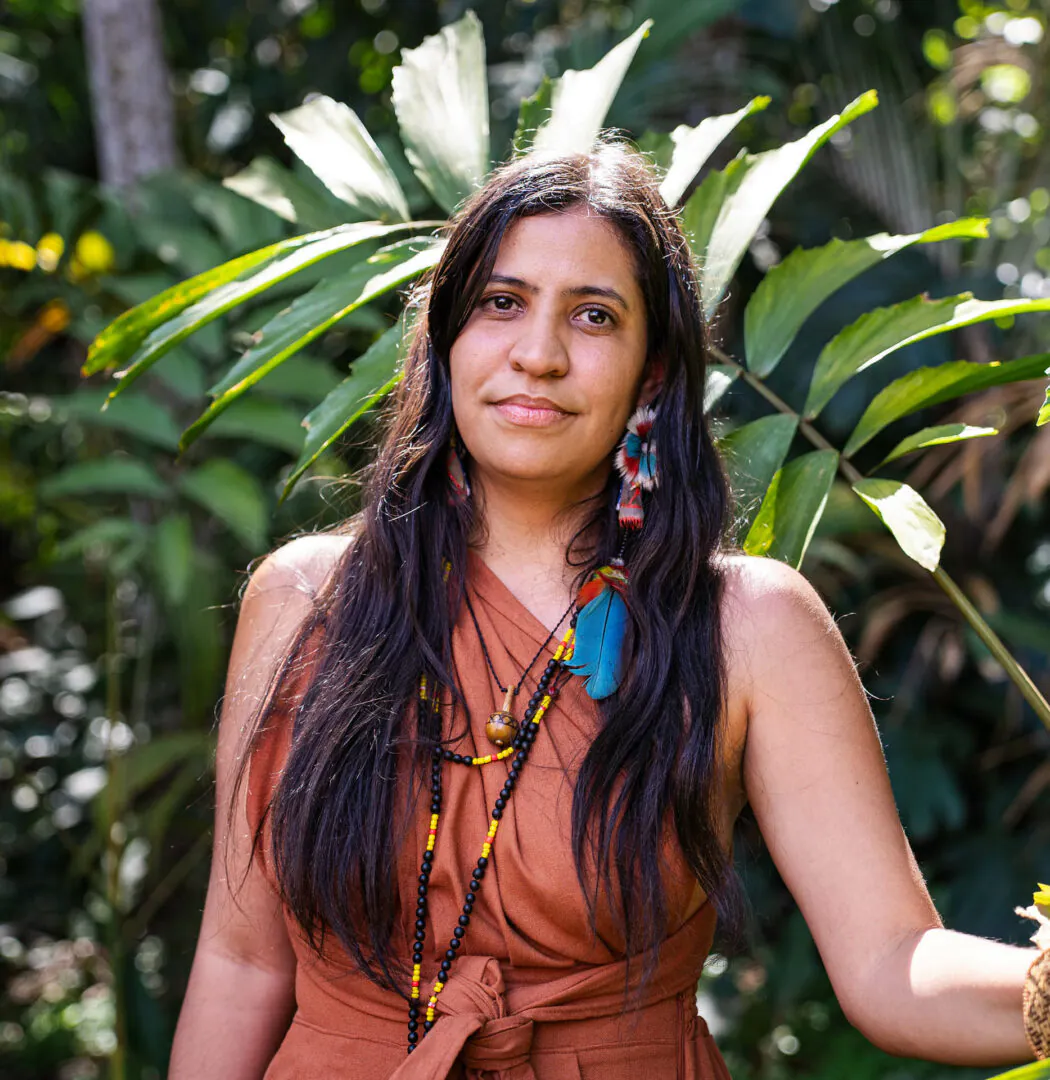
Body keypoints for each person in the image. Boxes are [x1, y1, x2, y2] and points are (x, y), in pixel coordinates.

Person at [168, 143, 1046, 1079]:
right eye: (501, 304)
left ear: (655, 373)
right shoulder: (306, 601)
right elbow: (241, 961)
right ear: (446, 339)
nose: (537, 355)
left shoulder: (748, 627)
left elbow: (891, 964)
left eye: (593, 316)